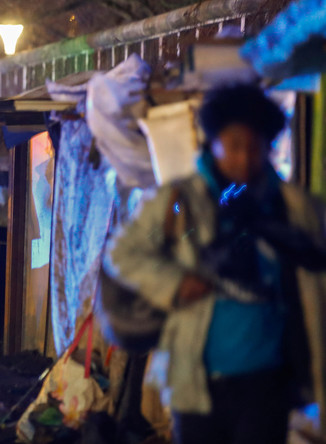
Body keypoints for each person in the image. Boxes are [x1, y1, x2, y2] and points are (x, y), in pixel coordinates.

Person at [106, 84, 326, 444]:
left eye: (254, 147)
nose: (244, 158)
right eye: (234, 145)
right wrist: (175, 283)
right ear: (214, 142)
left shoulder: (291, 206)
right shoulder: (179, 200)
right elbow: (123, 255)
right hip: (196, 381)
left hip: (268, 382)